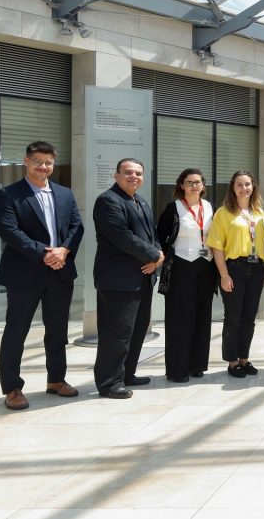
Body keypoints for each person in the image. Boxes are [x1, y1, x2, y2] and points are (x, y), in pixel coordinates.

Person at [0, 141, 84, 410]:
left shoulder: (65, 193)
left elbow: (76, 226)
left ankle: (56, 379)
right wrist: (46, 254)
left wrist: (64, 250)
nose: (43, 167)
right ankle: (12, 388)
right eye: (37, 162)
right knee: (16, 331)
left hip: (60, 272)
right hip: (25, 273)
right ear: (26, 162)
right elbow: (10, 231)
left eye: (48, 162)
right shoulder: (9, 194)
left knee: (57, 330)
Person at [93, 158, 164, 399]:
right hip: (118, 281)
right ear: (116, 175)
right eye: (128, 172)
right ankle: (109, 383)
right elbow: (121, 236)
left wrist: (157, 256)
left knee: (136, 330)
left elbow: (152, 234)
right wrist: (153, 254)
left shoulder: (140, 201)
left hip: (142, 277)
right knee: (117, 334)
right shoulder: (108, 201)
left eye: (138, 173)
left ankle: (127, 374)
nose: (134, 176)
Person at [156, 168, 216, 383]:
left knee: (202, 316)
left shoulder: (209, 207)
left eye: (197, 182)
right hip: (181, 267)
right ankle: (177, 369)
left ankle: (197, 365)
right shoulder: (173, 208)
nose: (194, 186)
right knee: (180, 318)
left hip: (205, 267)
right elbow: (160, 238)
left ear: (203, 185)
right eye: (189, 182)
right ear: (181, 185)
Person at [207, 171, 264, 379]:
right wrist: (224, 275)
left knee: (249, 317)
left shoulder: (258, 212)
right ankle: (232, 362)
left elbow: (262, 244)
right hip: (234, 268)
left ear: (253, 187)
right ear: (233, 189)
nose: (244, 188)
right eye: (239, 185)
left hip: (256, 268)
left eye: (247, 184)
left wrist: (263, 268)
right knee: (233, 317)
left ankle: (244, 358)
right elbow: (217, 247)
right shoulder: (223, 213)